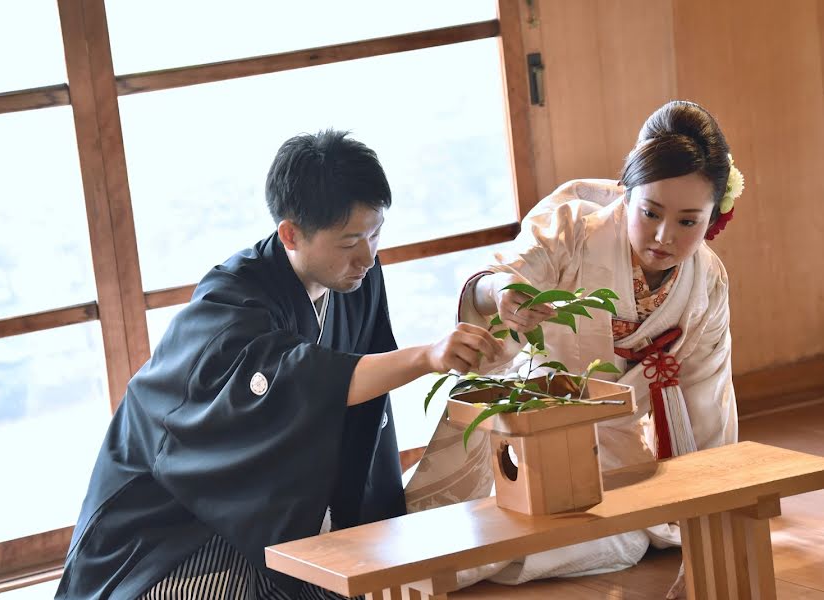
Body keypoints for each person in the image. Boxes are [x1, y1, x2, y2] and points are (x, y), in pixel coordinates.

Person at [55, 129, 503, 600]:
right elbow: (303, 381)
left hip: (266, 518)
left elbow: (359, 381)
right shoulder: (227, 304)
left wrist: (483, 300)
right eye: (350, 240)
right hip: (170, 521)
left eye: (376, 233)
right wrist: (428, 356)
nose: (368, 256)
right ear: (290, 233)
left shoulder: (355, 277)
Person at [408, 100, 742, 598]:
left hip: (628, 447)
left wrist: (713, 511)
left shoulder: (706, 282)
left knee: (625, 540)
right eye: (650, 212)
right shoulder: (572, 227)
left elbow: (706, 401)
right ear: (627, 194)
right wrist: (501, 296)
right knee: (455, 537)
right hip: (536, 427)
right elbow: (503, 276)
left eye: (688, 222)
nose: (663, 236)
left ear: (715, 215)